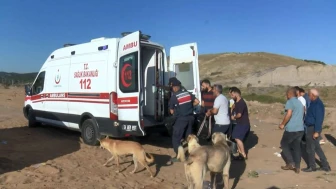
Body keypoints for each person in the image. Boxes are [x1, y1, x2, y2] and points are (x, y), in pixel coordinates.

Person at [169, 79, 200, 162]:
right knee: (188, 137)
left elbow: (171, 111)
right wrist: (190, 106)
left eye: (171, 87)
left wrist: (176, 111)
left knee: (176, 138)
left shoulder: (174, 97)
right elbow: (197, 101)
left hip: (181, 119)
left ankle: (179, 156)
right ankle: (191, 154)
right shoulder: (188, 93)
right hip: (190, 118)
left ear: (174, 88)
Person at [302, 89, 331, 172]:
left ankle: (312, 166)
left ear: (312, 95)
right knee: (317, 148)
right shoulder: (314, 103)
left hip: (313, 128)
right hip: (311, 127)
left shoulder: (318, 105)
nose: (308, 96)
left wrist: (317, 131)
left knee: (310, 148)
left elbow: (319, 119)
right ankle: (325, 165)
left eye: (309, 94)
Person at [279, 87, 304, 174]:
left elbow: (289, 114)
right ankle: (297, 166)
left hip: (291, 129)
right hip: (300, 128)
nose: (286, 96)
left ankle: (291, 163)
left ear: (289, 94)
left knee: (284, 144)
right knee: (297, 147)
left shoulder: (290, 102)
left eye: (287, 94)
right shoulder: (299, 102)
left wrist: (282, 124)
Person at [230, 87, 250, 160]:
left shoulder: (241, 103)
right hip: (239, 123)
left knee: (238, 139)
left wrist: (234, 117)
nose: (231, 96)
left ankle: (243, 154)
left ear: (236, 94)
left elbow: (239, 114)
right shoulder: (236, 102)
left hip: (243, 123)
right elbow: (234, 112)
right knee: (236, 138)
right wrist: (232, 109)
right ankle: (240, 154)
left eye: (232, 95)